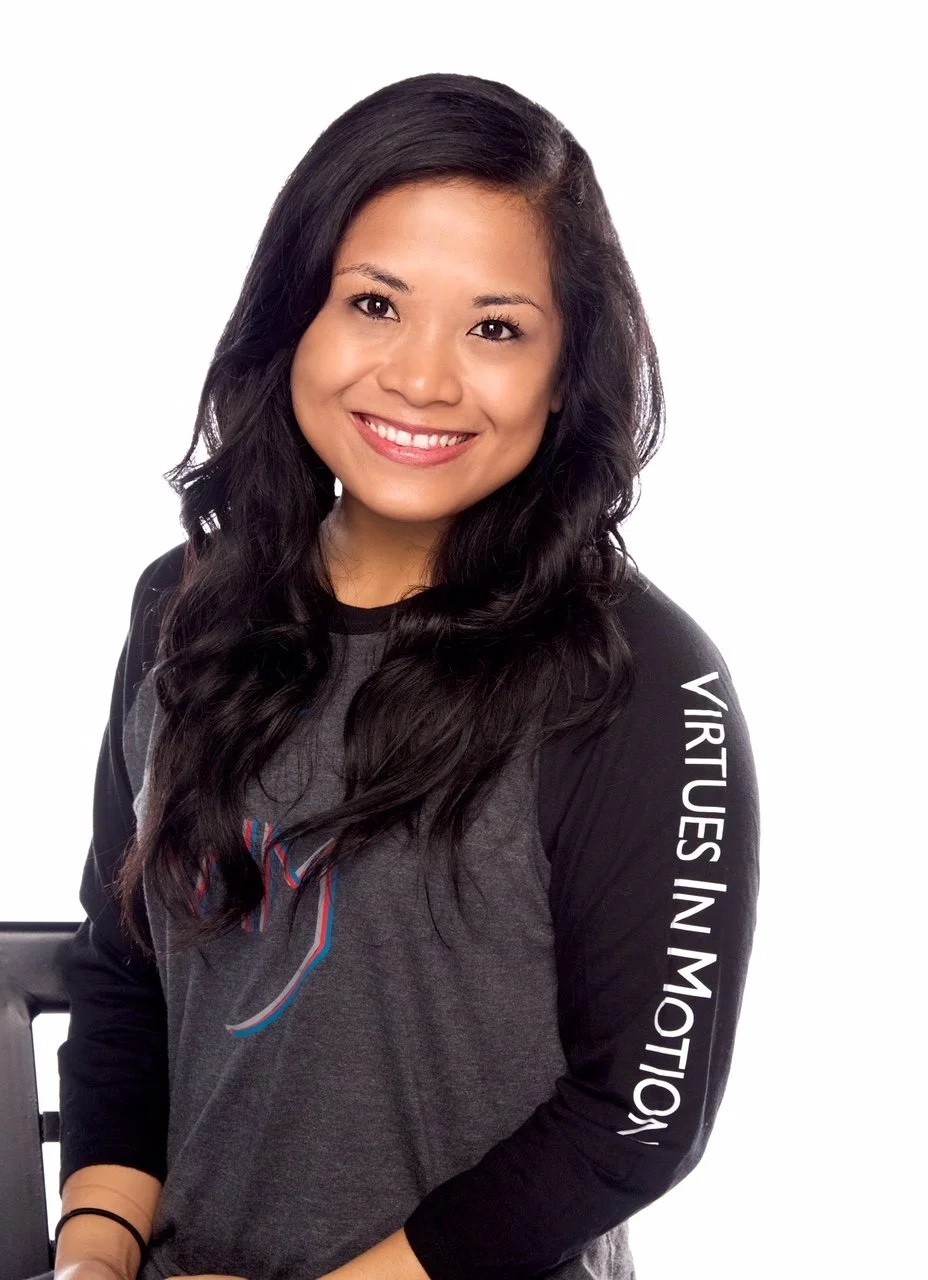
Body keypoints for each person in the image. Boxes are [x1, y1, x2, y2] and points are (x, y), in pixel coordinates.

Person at [41, 71, 760, 1280]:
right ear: (293, 318)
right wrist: (93, 1261)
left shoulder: (637, 676)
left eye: (494, 327)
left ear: (563, 369)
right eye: (374, 303)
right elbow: (127, 980)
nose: (423, 378)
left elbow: (636, 1116)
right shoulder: (183, 608)